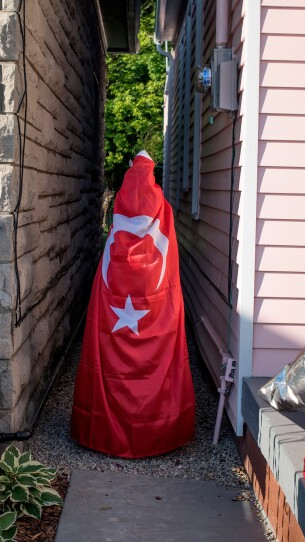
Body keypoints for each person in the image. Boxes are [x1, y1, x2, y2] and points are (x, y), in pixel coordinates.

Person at [70, 150, 195, 458]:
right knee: (158, 354)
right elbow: (169, 257)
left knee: (110, 354)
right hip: (155, 298)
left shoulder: (121, 202)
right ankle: (157, 430)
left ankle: (106, 431)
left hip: (114, 297)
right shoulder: (161, 210)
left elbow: (114, 243)